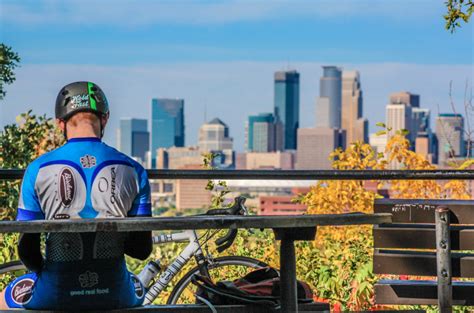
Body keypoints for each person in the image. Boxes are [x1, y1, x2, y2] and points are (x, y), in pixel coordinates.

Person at [0, 81, 153, 310]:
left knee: (8, 294)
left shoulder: (38, 170)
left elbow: (27, 250)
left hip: (56, 294)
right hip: (115, 294)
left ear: (60, 123)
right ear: (105, 118)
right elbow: (141, 250)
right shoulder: (134, 170)